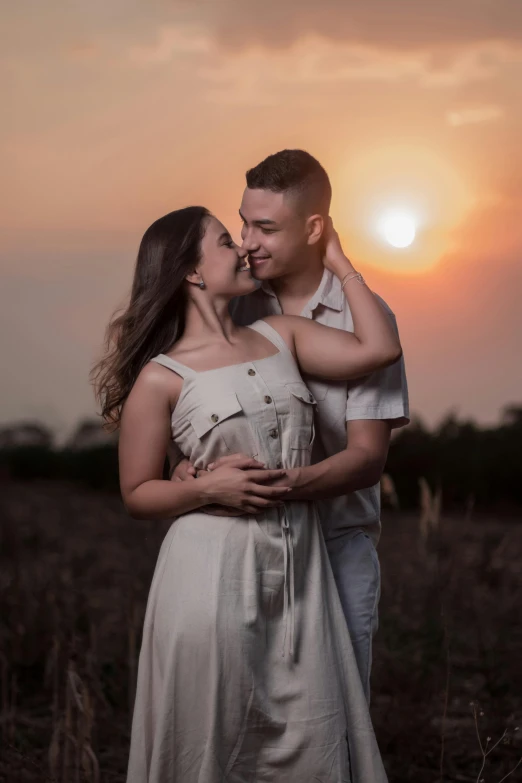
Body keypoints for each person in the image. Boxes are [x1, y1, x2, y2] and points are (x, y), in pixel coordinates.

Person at [92, 205, 400, 781]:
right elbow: (136, 492)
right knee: (214, 739)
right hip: (211, 577)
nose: (243, 249)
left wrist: (339, 260)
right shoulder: (161, 377)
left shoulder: (279, 334)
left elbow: (378, 348)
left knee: (317, 739)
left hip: (303, 574)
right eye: (225, 241)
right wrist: (210, 486)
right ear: (192, 272)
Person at [173, 149, 410, 702]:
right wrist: (189, 472)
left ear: (314, 229)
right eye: (242, 224)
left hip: (337, 544)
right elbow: (189, 423)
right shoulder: (234, 307)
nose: (247, 242)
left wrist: (266, 488)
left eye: (265, 228)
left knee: (338, 714)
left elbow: (367, 460)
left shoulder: (366, 319)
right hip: (247, 547)